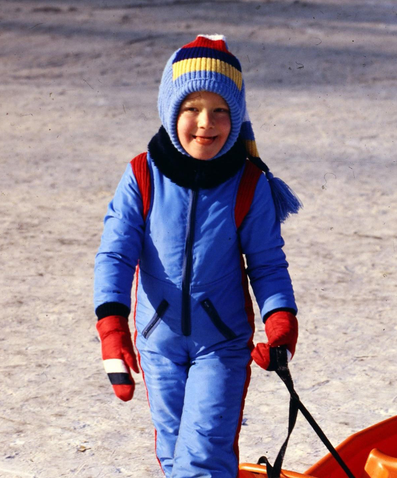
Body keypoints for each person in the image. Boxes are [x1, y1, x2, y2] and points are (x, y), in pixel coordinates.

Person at [92, 34, 301, 478]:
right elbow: (115, 253)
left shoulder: (248, 184)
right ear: (171, 109)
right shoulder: (141, 175)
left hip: (221, 344)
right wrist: (112, 327)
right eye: (192, 108)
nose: (206, 123)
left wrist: (280, 320)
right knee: (174, 456)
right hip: (157, 342)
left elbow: (266, 263)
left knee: (202, 455)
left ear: (236, 116)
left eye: (220, 110)